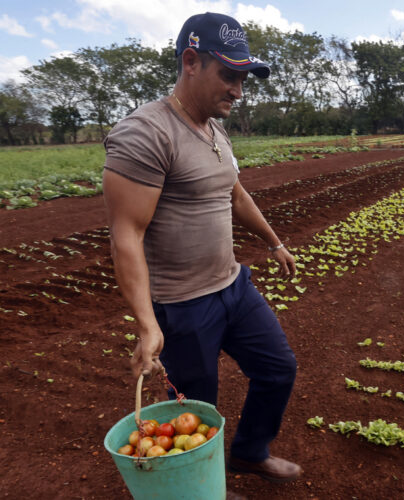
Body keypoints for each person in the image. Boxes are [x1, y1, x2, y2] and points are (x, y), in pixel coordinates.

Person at [102, 12, 301, 486]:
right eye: (229, 75)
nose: (238, 89)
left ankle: (250, 452)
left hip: (232, 285)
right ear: (191, 61)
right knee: (199, 410)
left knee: (278, 369)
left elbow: (234, 193)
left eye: (243, 78)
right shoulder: (146, 133)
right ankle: (200, 490)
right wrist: (147, 324)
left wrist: (273, 242)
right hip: (183, 305)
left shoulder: (215, 128)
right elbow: (124, 235)